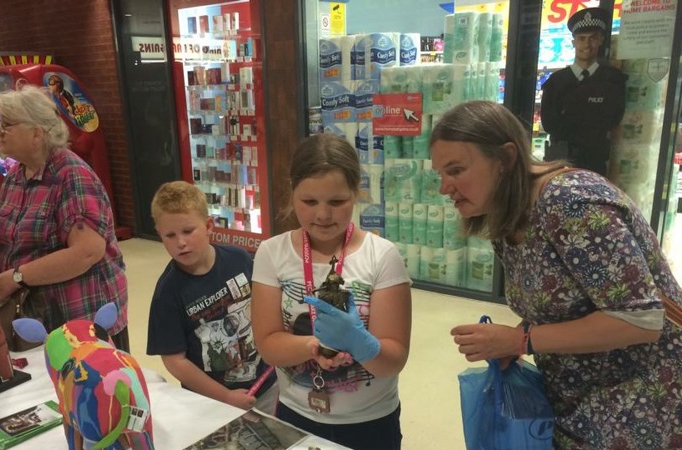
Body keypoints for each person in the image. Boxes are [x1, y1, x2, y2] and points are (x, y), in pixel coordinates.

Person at [433, 100, 682, 448]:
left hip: (641, 409)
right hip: (578, 407)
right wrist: (513, 338)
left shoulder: (570, 202)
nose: (444, 187)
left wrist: (521, 340)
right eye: (440, 174)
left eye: (456, 170)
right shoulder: (508, 217)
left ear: (505, 158)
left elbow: (641, 318)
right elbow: (563, 301)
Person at [251, 133, 412, 449]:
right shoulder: (271, 253)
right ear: (292, 192)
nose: (323, 215)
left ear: (355, 192)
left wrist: (360, 343)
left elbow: (393, 361)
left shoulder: (382, 256)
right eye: (309, 201)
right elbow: (268, 345)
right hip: (296, 416)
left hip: (370, 422)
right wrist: (316, 345)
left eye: (337, 202)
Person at [0, 85, 129, 350]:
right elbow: (22, 230)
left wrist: (15, 277)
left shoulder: (71, 176)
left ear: (37, 133)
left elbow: (86, 253)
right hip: (39, 319)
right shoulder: (16, 176)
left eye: (6, 125)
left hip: (80, 321)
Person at [146, 181, 276, 413]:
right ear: (159, 235)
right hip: (213, 402)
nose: (181, 242)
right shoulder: (167, 294)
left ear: (208, 226)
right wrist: (225, 396)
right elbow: (175, 361)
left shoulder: (239, 259)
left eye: (188, 231)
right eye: (170, 235)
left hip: (267, 382)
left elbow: (265, 307)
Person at [541, 7, 627, 176]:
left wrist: (572, 119)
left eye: (593, 38)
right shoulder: (556, 81)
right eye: (581, 38)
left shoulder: (613, 80)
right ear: (574, 42)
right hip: (561, 164)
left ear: (601, 40)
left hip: (595, 164)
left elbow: (613, 119)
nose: (587, 44)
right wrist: (590, 120)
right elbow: (549, 124)